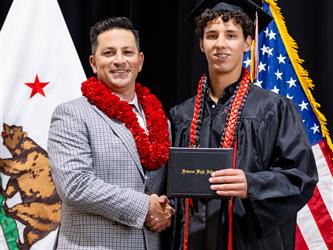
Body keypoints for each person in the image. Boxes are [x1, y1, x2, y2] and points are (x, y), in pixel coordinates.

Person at [168, 0, 318, 249]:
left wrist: (252, 184)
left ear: (248, 43)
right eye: (212, 35)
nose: (221, 44)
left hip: (248, 239)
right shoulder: (181, 115)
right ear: (201, 45)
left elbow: (301, 177)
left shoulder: (274, 109)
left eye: (231, 35)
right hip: (192, 240)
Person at [48, 16, 174, 250]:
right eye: (108, 53)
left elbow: (164, 188)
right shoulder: (71, 114)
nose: (119, 61)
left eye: (127, 52)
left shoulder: (161, 121)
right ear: (93, 63)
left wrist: (167, 210)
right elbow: (76, 185)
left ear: (140, 60)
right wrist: (144, 207)